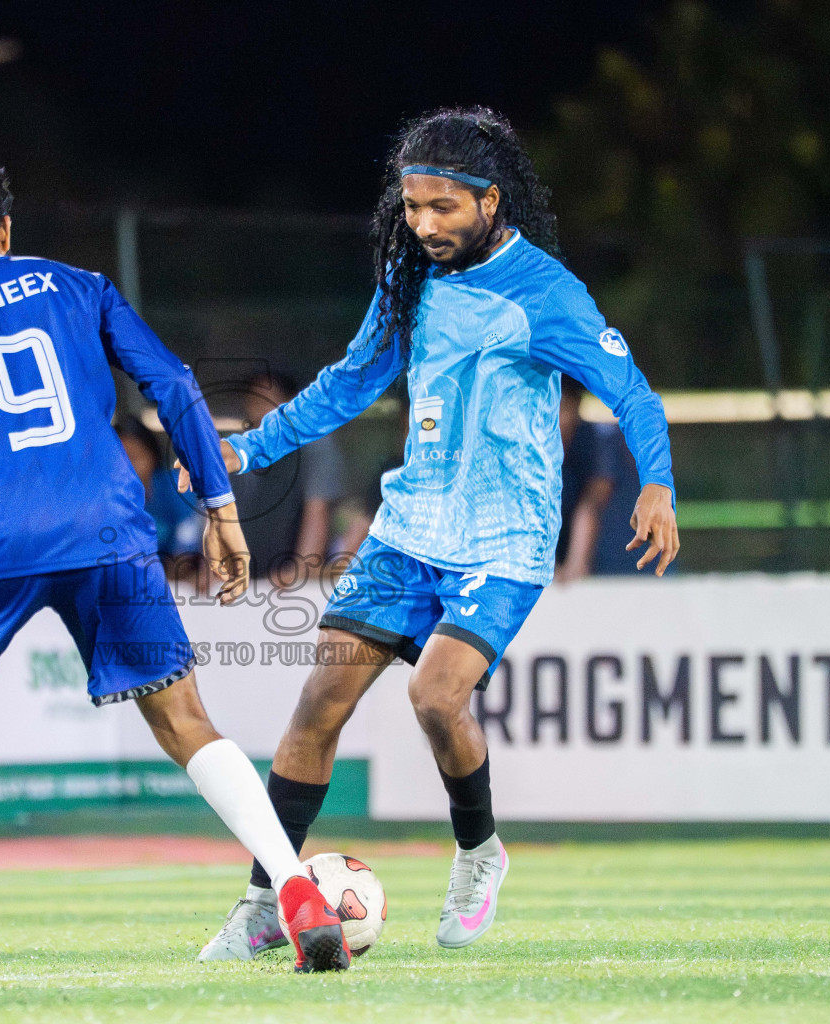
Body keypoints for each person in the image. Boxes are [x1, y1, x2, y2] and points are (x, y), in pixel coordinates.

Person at [0, 152, 351, 979]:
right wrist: (221, 509)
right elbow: (175, 385)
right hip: (107, 529)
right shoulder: (81, 285)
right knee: (186, 720)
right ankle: (298, 895)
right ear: (6, 230)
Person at [180, 107, 679, 960]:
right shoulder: (410, 281)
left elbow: (632, 391)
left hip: (505, 538)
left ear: (493, 199)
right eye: (412, 208)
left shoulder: (547, 294)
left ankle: (480, 852)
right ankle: (267, 899)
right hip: (409, 528)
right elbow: (346, 385)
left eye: (443, 207)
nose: (425, 224)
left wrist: (658, 483)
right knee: (315, 709)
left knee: (434, 696)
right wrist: (247, 448)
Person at [229, 370, 346, 580]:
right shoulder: (240, 452)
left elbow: (317, 511)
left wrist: (300, 571)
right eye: (253, 402)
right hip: (244, 579)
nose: (260, 411)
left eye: (269, 401)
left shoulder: (314, 446)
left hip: (289, 584)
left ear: (292, 404)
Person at [556, 379, 645, 580]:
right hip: (601, 574)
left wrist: (574, 566)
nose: (548, 420)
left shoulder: (597, 440)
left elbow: (591, 506)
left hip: (631, 570)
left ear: (575, 405)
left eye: (558, 408)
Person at [116, 415, 201, 558]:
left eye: (134, 457)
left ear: (153, 456)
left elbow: (189, 547)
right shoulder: (106, 500)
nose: (128, 467)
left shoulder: (177, 487)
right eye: (119, 459)